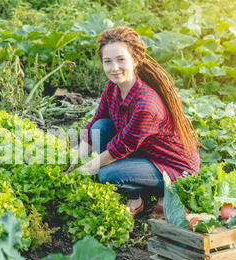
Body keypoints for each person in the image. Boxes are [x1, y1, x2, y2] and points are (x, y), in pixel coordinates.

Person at [64, 26, 200, 217]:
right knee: (100, 127)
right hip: (146, 154)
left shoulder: (146, 104)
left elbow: (117, 151)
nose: (114, 68)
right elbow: (94, 123)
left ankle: (165, 193)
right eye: (108, 61)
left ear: (135, 60)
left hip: (174, 168)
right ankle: (136, 198)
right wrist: (75, 160)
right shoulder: (112, 88)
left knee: (106, 175)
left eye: (121, 60)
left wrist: (82, 171)